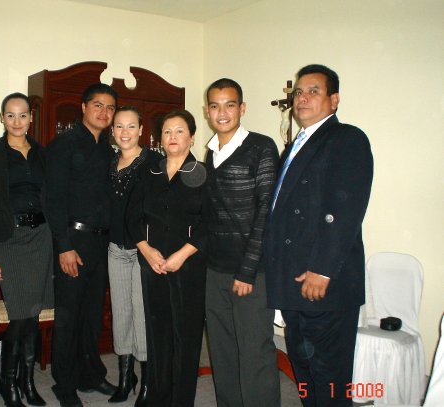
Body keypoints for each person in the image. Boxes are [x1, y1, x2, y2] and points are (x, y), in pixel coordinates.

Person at [265, 64, 374, 407]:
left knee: (329, 377)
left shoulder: (347, 138)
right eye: (299, 92)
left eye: (313, 91)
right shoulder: (296, 144)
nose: (302, 98)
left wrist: (322, 269)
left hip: (324, 283)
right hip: (295, 281)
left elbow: (345, 211)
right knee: (305, 370)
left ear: (334, 99)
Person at [203, 78, 281, 407]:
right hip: (215, 269)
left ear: (242, 108)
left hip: (251, 272)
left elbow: (267, 211)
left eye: (230, 104)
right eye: (216, 105)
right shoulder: (209, 153)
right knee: (222, 351)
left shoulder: (261, 147)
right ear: (207, 111)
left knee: (255, 353)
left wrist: (247, 271)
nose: (222, 112)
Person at [126, 109, 208, 407]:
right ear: (159, 138)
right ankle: (157, 396)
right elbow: (132, 217)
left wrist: (181, 255)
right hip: (153, 264)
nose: (173, 137)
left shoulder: (203, 173)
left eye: (180, 131)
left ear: (192, 136)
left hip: (188, 266)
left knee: (185, 338)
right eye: (167, 132)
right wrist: (147, 251)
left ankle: (179, 400)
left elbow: (209, 224)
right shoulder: (148, 172)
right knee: (157, 332)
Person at [43, 83, 118, 407]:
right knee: (69, 317)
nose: (104, 112)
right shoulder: (63, 145)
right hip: (74, 242)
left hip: (102, 243)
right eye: (98, 105)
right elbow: (53, 200)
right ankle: (65, 384)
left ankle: (91, 374)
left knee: (92, 316)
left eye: (110, 107)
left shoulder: (109, 149)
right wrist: (64, 247)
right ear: (84, 107)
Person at [0, 92, 54, 407]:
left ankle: (26, 382)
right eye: (10, 115)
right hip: (9, 240)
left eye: (23, 115)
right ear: (1, 118)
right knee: (21, 315)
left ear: (31, 118)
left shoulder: (41, 153)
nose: (17, 121)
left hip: (41, 237)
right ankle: (8, 383)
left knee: (32, 314)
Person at [107, 107, 161, 405]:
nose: (124, 132)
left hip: (143, 250)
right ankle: (126, 378)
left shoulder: (154, 161)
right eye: (119, 126)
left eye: (131, 126)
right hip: (115, 248)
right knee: (121, 315)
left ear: (141, 130)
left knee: (141, 316)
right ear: (112, 130)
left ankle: (148, 383)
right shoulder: (110, 160)